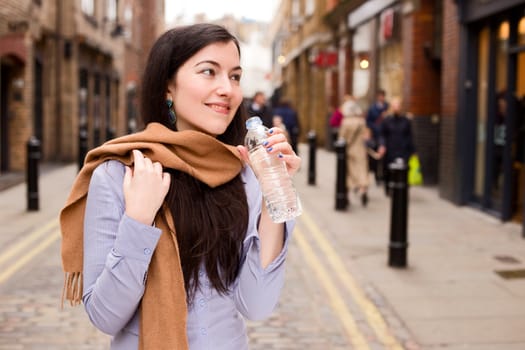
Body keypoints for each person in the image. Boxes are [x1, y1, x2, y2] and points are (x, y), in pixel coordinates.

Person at [60, 23, 301, 350]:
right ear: (167, 88)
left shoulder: (244, 174)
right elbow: (105, 317)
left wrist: (276, 191)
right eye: (208, 72)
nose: (227, 89)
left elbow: (256, 305)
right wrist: (138, 221)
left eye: (234, 76)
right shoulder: (120, 173)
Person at [378, 97, 416, 196]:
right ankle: (388, 189)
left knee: (404, 170)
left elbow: (409, 136)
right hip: (390, 149)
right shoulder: (387, 120)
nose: (396, 108)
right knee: (388, 170)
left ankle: (402, 190)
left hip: (403, 150)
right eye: (394, 105)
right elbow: (382, 134)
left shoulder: (406, 121)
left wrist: (413, 151)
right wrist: (382, 145)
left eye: (398, 105)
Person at [338, 96, 370, 206]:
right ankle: (363, 189)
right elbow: (366, 135)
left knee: (350, 172)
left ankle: (351, 189)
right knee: (362, 170)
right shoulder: (362, 121)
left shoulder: (345, 122)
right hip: (361, 149)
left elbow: (341, 138)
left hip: (349, 150)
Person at [366, 89, 389, 184]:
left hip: (385, 135)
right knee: (376, 157)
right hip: (375, 135)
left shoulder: (387, 107)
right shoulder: (372, 108)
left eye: (383, 96)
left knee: (384, 157)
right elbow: (368, 122)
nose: (381, 97)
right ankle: (376, 175)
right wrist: (374, 127)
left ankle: (382, 176)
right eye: (380, 96)